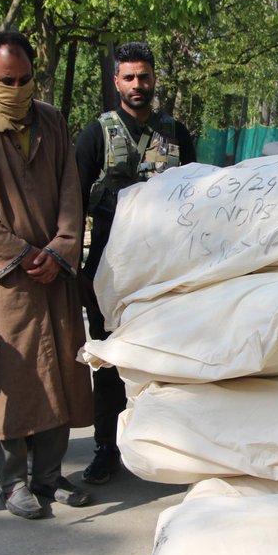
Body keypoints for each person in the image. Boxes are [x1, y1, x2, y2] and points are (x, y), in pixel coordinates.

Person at [0, 30, 93, 520]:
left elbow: (71, 192)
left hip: (55, 274)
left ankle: (49, 478)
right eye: (8, 80)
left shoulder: (52, 121)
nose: (18, 88)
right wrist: (22, 253)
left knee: (61, 377)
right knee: (12, 378)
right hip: (5, 280)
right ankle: (13, 483)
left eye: (26, 79)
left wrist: (61, 249)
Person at [74, 41, 196, 485]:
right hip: (110, 272)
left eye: (144, 77)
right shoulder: (98, 134)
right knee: (108, 362)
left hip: (165, 273)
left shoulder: (175, 133)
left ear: (154, 80)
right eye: (129, 77)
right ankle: (106, 447)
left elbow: (200, 199)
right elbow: (71, 200)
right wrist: (77, 269)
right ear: (116, 82)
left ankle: (164, 444)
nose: (138, 85)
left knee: (164, 361)